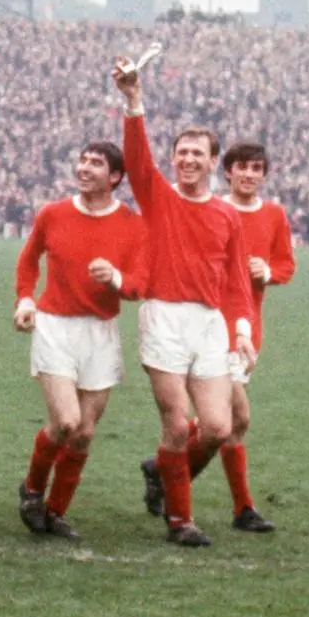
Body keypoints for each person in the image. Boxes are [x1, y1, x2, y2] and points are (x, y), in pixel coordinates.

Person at [112, 56, 256, 548]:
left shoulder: (226, 216)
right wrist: (134, 102)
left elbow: (236, 281)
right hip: (164, 317)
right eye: (182, 152)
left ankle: (163, 475)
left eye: (198, 153)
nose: (189, 160)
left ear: (215, 162)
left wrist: (242, 333)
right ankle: (181, 521)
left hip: (210, 325)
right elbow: (135, 160)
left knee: (216, 427)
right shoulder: (158, 197)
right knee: (177, 424)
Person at [13, 141, 147, 540]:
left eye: (96, 163)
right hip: (55, 326)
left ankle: (56, 511)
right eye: (83, 160)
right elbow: (27, 259)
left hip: (100, 331)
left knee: (85, 432)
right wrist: (25, 300)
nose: (85, 168)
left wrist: (117, 278)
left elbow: (141, 283)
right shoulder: (53, 213)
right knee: (67, 421)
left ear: (116, 177)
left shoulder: (132, 223)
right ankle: (32, 488)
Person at [213, 141, 296, 530]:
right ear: (228, 171)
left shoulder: (275, 215)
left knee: (224, 419)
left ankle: (163, 468)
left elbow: (285, 265)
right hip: (214, 323)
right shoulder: (213, 209)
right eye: (242, 167)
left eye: (257, 168)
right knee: (237, 417)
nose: (249, 174)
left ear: (264, 175)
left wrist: (267, 271)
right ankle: (243, 508)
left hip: (250, 324)